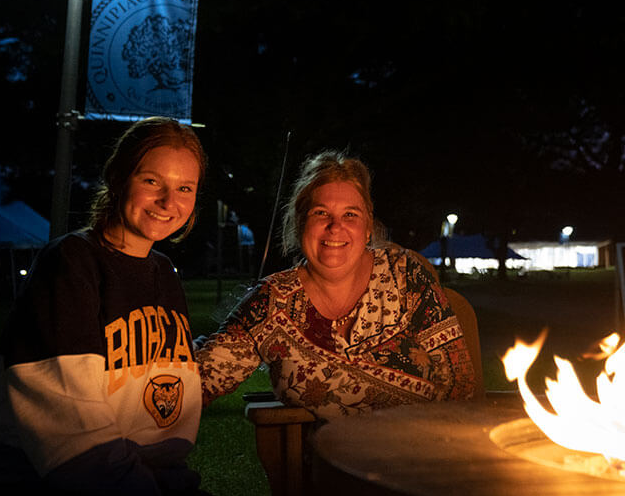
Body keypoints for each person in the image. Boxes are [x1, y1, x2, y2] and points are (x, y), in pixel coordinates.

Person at [0, 117, 258, 496]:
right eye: (152, 180)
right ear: (118, 176)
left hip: (144, 487)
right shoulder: (70, 265)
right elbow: (70, 432)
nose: (167, 201)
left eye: (184, 188)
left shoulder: (163, 273)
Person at [195, 150, 478, 419]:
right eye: (321, 213)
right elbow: (199, 380)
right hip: (328, 463)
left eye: (350, 215)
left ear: (367, 229)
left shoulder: (406, 276)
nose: (335, 227)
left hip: (426, 453)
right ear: (300, 223)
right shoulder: (269, 302)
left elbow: (459, 386)